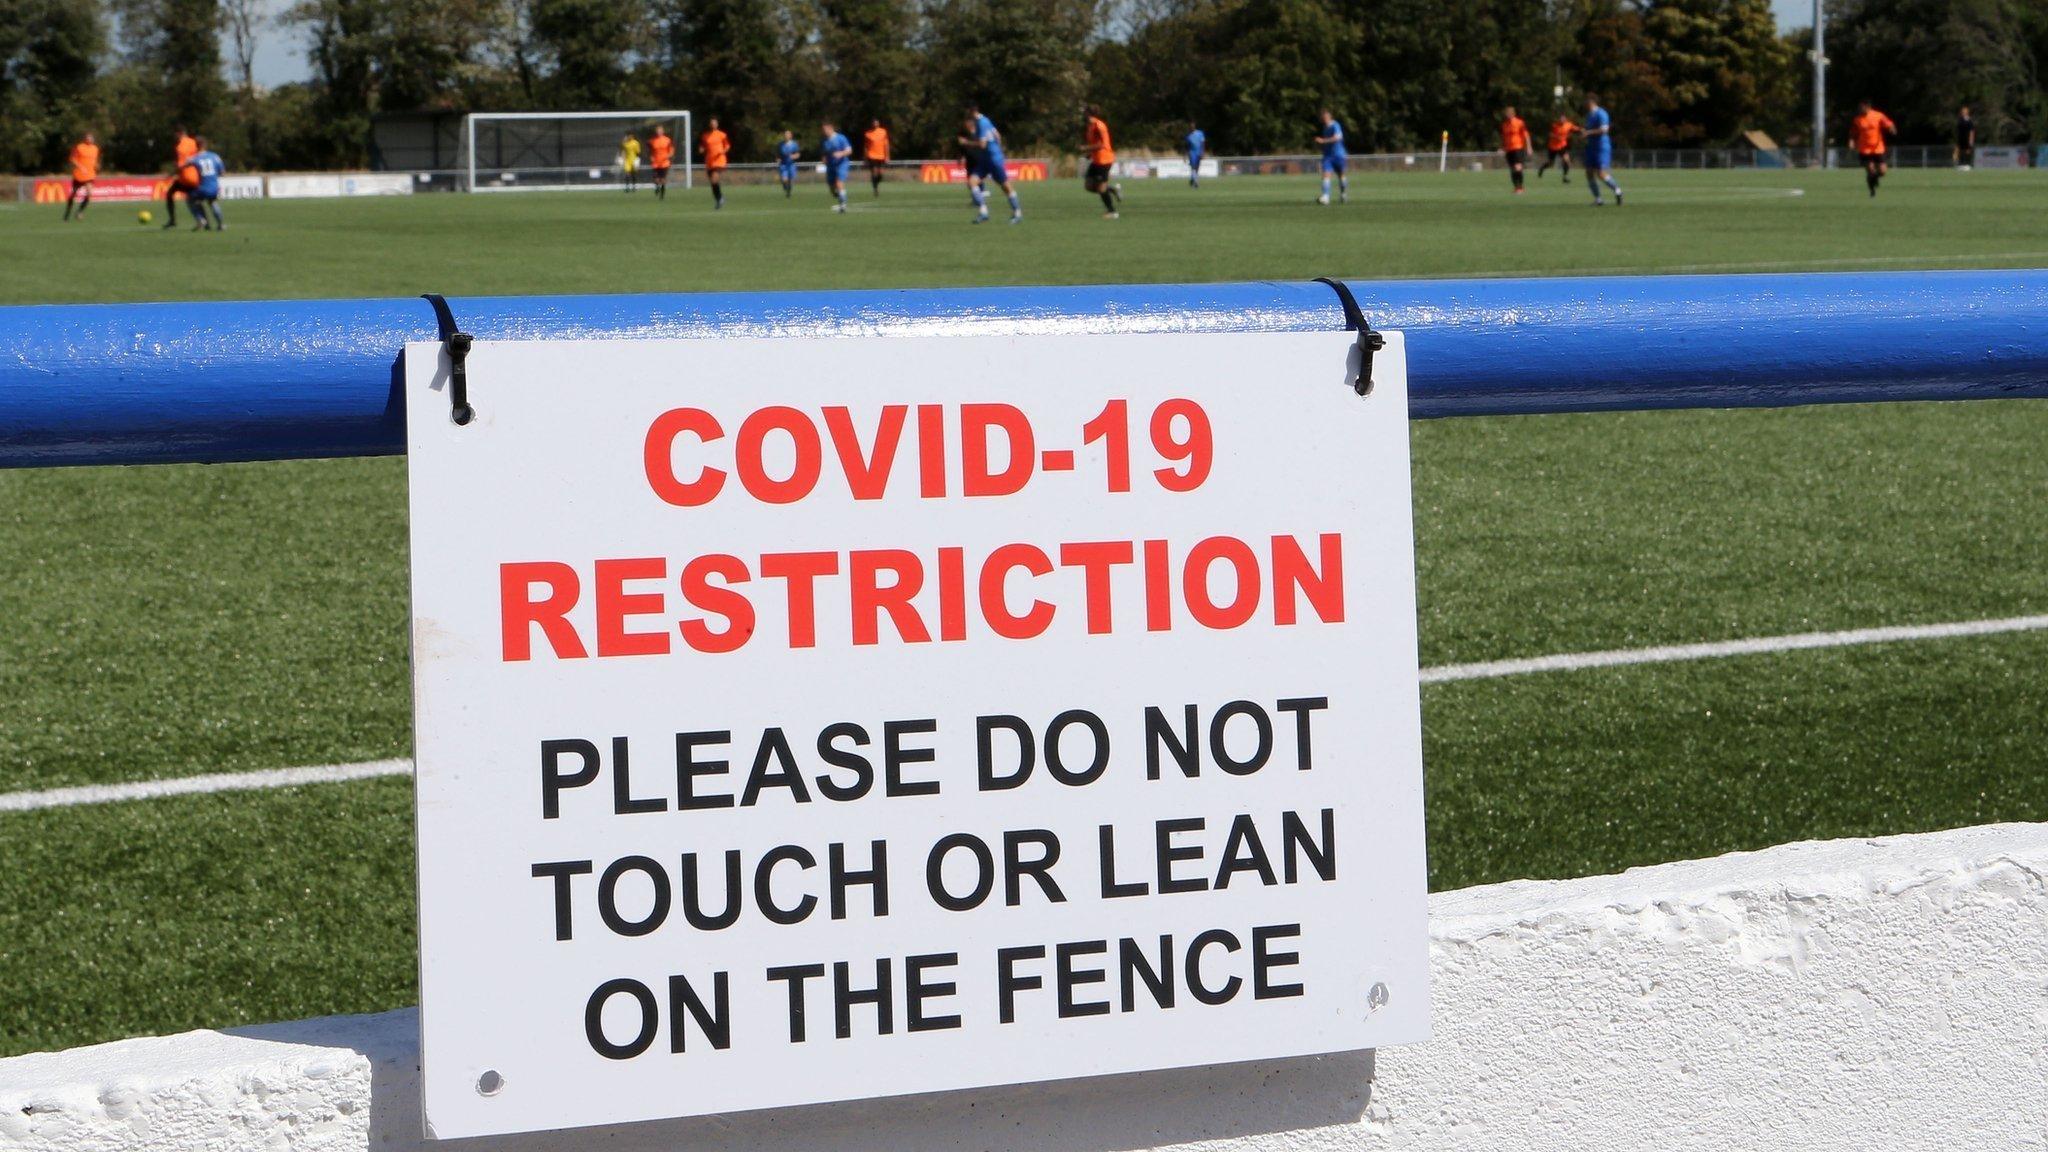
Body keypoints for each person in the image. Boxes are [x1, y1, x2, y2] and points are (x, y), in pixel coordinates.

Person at [961, 105, 1021, 224]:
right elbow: (998, 135)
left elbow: (982, 144)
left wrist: (967, 142)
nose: (967, 118)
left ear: (973, 112)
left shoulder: (982, 123)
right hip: (986, 160)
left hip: (993, 160)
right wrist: (997, 149)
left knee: (1005, 186)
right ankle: (984, 213)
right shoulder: (985, 120)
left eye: (968, 114)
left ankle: (1017, 213)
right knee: (972, 182)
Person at [1580, 93, 1622, 206]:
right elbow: (1588, 129)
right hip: (1591, 147)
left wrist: (1588, 133)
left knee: (1601, 173)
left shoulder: (1601, 113)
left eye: (1586, 101)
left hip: (1601, 147)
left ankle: (1617, 190)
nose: (1585, 104)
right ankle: (1598, 199)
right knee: (1589, 172)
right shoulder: (1589, 115)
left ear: (1592, 102)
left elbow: (1604, 130)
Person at [1082, 105, 1122, 218]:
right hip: (1096, 160)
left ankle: (1112, 212)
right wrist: (1090, 154)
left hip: (1104, 160)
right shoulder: (1090, 126)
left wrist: (1086, 149)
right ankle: (1113, 190)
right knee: (1088, 186)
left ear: (1089, 113)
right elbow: (1094, 143)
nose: (1083, 114)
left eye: (1084, 112)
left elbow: (1101, 145)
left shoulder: (1099, 126)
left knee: (1101, 188)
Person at [1851, 100, 1896, 197]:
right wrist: (1851, 141)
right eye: (1859, 107)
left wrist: (1892, 128)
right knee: (1870, 170)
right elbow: (1854, 132)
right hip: (1864, 149)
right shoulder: (1857, 119)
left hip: (1878, 148)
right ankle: (1872, 190)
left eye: (1862, 107)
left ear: (1868, 107)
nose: (1860, 109)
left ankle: (1874, 179)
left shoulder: (1878, 115)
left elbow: (1888, 123)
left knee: (1882, 171)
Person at [182, 138, 226, 231]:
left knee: (190, 199)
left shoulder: (195, 158)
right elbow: (222, 173)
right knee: (213, 202)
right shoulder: (215, 156)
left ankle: (201, 219)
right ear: (206, 145)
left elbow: (184, 166)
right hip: (214, 187)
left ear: (197, 146)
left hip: (202, 187)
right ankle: (221, 224)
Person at [162, 126, 197, 228]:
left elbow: (180, 166)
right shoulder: (193, 142)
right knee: (197, 199)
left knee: (170, 194)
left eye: (175, 134)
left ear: (179, 133)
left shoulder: (180, 147)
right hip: (196, 176)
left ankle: (172, 220)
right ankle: (205, 221)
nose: (174, 137)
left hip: (186, 178)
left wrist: (171, 175)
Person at [62, 132, 98, 221]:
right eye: (88, 138)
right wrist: (80, 167)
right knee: (73, 194)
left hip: (90, 175)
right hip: (79, 175)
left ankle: (79, 211)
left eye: (91, 138)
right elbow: (72, 159)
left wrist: (96, 165)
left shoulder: (95, 149)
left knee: (89, 194)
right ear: (85, 139)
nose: (90, 140)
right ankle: (67, 213)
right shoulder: (79, 147)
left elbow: (93, 160)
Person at [1314, 109, 1347, 204]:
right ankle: (1326, 197)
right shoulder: (1325, 128)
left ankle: (1343, 193)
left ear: (1329, 117)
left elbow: (1338, 137)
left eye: (1325, 117)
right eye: (1322, 118)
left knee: (1341, 175)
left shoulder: (1335, 125)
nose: (1323, 119)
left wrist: (1323, 141)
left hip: (1338, 155)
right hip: (1328, 156)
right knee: (1326, 175)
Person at [821, 122, 853, 213]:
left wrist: (841, 153)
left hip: (842, 164)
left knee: (839, 182)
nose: (824, 132)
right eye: (823, 130)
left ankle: (843, 205)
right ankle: (840, 196)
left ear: (831, 128)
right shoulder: (824, 141)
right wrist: (824, 159)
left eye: (825, 130)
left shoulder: (841, 138)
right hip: (831, 165)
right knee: (832, 188)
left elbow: (849, 150)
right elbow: (824, 153)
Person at [699, 117, 730, 208]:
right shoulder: (705, 136)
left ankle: (720, 198)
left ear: (717, 124)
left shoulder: (722, 135)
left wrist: (723, 152)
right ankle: (719, 198)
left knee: (714, 179)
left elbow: (727, 146)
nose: (713, 125)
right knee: (713, 182)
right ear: (710, 125)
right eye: (712, 123)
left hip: (719, 160)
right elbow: (702, 146)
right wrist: (701, 149)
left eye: (715, 123)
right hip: (709, 161)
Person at [1499, 106, 1531, 194]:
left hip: (1518, 148)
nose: (1507, 115)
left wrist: (1529, 147)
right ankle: (1516, 187)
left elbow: (1526, 135)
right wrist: (1502, 147)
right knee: (1512, 169)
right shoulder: (1504, 125)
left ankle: (1520, 187)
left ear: (1513, 114)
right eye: (1506, 114)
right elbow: (1503, 138)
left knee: (1518, 168)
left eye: (1509, 113)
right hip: (1509, 150)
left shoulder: (1519, 123)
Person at [1537, 112, 1575, 180]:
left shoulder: (1569, 125)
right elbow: (1550, 134)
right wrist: (1557, 137)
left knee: (1566, 161)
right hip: (1553, 147)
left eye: (1563, 119)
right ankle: (1542, 168)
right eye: (1560, 119)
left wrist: (1582, 130)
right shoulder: (1554, 125)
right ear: (1559, 119)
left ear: (1565, 119)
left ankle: (1565, 177)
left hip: (1562, 146)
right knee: (1551, 164)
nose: (1562, 120)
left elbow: (1575, 129)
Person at [862, 119, 890, 196]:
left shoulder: (883, 132)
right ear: (872, 124)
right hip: (871, 155)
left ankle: (876, 184)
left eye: (876, 122)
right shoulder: (868, 134)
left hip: (881, 156)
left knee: (880, 174)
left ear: (878, 123)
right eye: (873, 123)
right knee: (874, 173)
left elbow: (886, 144)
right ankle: (875, 188)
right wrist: (865, 158)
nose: (875, 124)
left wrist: (887, 156)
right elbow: (866, 147)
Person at [648, 125, 674, 200]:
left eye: (660, 130)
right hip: (655, 162)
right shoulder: (652, 141)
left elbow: (671, 150)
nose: (658, 132)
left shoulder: (667, 140)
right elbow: (650, 151)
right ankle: (657, 187)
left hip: (664, 163)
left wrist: (669, 155)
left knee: (663, 179)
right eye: (657, 130)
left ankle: (662, 195)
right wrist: (651, 157)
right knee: (656, 179)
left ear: (663, 131)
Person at [776, 130, 801, 197]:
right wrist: (778, 159)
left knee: (790, 180)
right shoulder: (780, 145)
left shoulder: (794, 144)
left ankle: (788, 192)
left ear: (790, 136)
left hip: (791, 165)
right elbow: (778, 155)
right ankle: (784, 186)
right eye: (785, 134)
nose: (786, 136)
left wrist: (793, 156)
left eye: (788, 134)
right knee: (784, 179)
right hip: (783, 164)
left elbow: (798, 154)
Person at [1184, 121, 1206, 187]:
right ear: (1189, 127)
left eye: (1193, 126)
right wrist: (1185, 155)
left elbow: (1202, 143)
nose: (1192, 127)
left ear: (1194, 126)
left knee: (1197, 167)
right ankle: (1196, 182)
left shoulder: (1200, 133)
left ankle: (1192, 178)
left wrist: (1202, 152)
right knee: (1193, 167)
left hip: (1198, 152)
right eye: (1190, 127)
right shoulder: (1188, 136)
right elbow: (1187, 146)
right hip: (1192, 153)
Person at [1955, 105, 1975, 170]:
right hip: (1961, 138)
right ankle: (1961, 164)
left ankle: (1967, 164)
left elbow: (1972, 130)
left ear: (1967, 112)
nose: (1963, 112)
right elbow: (1958, 130)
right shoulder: (1960, 120)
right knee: (1960, 151)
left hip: (1967, 138)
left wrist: (1971, 139)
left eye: (1964, 111)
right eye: (1962, 111)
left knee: (1967, 151)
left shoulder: (1969, 120)